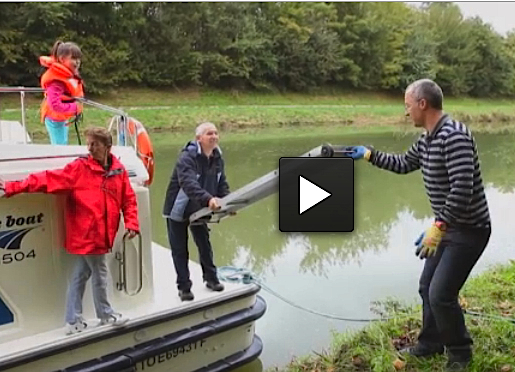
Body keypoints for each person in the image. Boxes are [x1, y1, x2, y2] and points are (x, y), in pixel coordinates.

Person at [349, 79, 491, 371]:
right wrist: (370, 155)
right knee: (427, 286)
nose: (406, 112)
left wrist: (438, 226)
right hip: (448, 227)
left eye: (407, 105)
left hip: (469, 230)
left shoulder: (455, 136)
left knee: (441, 294)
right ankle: (431, 343)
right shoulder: (428, 139)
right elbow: (403, 163)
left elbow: (462, 189)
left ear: (422, 104)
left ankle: (460, 353)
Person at [0, 127, 139, 335]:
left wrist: (132, 223)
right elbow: (47, 179)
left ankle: (73, 319)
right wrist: (12, 187)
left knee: (80, 274)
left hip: (103, 235)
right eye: (89, 143)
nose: (90, 148)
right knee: (100, 273)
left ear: (108, 147)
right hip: (87, 235)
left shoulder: (118, 170)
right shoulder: (79, 169)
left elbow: (128, 199)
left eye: (95, 144)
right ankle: (105, 314)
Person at [162, 122, 231, 302]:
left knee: (204, 244)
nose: (214, 136)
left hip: (200, 209)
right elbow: (188, 184)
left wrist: (228, 202)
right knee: (180, 250)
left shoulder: (217, 157)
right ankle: (184, 288)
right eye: (209, 133)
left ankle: (211, 279)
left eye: (216, 133)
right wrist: (209, 199)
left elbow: (221, 181)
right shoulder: (187, 158)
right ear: (199, 138)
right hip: (178, 210)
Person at [39, 40, 84, 145]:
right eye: (73, 58)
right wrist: (75, 107)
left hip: (60, 117)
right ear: (62, 59)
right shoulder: (56, 81)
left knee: (62, 143)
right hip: (54, 118)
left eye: (78, 59)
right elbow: (54, 105)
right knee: (60, 146)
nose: (77, 62)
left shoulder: (65, 75)